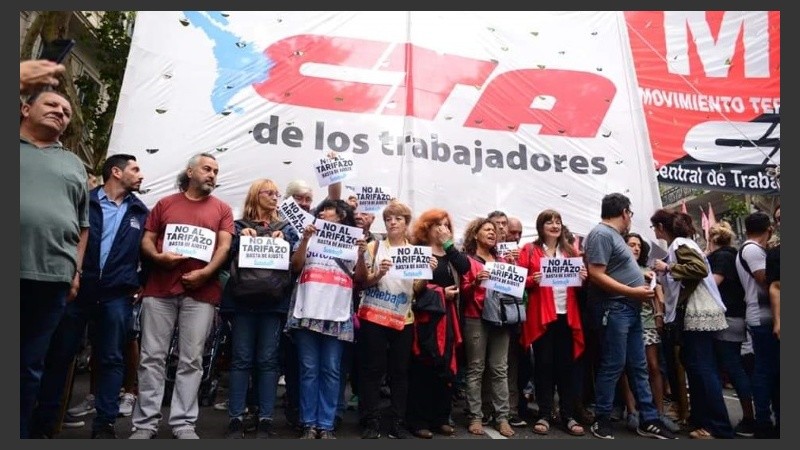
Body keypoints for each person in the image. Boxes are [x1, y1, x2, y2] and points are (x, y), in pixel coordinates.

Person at [29, 154, 148, 439]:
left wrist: (138, 282)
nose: (141, 174)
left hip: (117, 296)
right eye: (135, 169)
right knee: (60, 355)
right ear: (116, 172)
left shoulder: (140, 212)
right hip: (79, 290)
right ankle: (45, 422)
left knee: (110, 358)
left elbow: (148, 250)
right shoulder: (84, 200)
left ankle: (105, 424)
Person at [129, 153, 234, 439]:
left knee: (192, 360)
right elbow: (147, 241)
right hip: (160, 289)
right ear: (190, 171)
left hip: (201, 293)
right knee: (152, 357)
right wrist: (158, 258)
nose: (212, 174)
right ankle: (145, 423)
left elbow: (224, 247)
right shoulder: (165, 204)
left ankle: (183, 422)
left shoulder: (222, 209)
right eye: (207, 168)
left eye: (215, 170)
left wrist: (206, 273)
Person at [20, 89, 89, 439]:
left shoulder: (74, 163)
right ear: (25, 108)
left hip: (53, 278)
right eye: (52, 105)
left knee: (30, 366)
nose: (61, 113)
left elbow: (83, 226)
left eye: (66, 110)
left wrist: (75, 271)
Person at [583, 193, 676, 440]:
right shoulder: (601, 234)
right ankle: (602, 419)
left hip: (630, 309)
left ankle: (649, 419)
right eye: (630, 214)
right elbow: (596, 274)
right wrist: (631, 290)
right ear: (624, 212)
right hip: (615, 309)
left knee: (639, 366)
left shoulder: (615, 237)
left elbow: (615, 269)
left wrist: (638, 278)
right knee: (613, 365)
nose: (630, 219)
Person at [224, 179, 300, 439]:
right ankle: (236, 417)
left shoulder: (287, 229)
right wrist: (239, 239)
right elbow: (225, 257)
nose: (275, 197)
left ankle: (266, 418)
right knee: (241, 359)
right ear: (256, 195)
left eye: (277, 193)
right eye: (270, 193)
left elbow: (297, 262)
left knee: (268, 361)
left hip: (273, 303)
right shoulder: (237, 226)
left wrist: (285, 241)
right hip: (243, 302)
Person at [651, 209, 732, 439]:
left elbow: (698, 269)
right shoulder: (682, 243)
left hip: (697, 313)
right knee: (698, 367)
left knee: (703, 369)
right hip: (697, 312)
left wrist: (667, 268)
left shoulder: (678, 243)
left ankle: (717, 426)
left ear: (661, 227)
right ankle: (705, 420)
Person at [354, 201, 432, 439]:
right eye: (389, 219)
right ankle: (370, 419)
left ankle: (396, 419)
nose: (393, 222)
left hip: (402, 319)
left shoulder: (415, 252)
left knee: (400, 372)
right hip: (374, 317)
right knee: (372, 370)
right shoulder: (373, 247)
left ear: (406, 223)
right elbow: (361, 282)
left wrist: (426, 274)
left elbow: (417, 289)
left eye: (398, 218)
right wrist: (378, 273)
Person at [286, 199, 363, 439]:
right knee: (309, 369)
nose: (323, 213)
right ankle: (309, 423)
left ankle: (326, 425)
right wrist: (306, 240)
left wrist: (361, 254)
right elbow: (296, 266)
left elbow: (360, 277)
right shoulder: (307, 235)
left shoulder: (353, 240)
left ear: (341, 215)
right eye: (320, 211)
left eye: (328, 210)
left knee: (331, 370)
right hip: (308, 310)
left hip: (336, 313)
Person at [517, 209, 587, 437]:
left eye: (558, 222)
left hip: (567, 314)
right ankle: (545, 414)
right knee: (544, 365)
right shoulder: (529, 250)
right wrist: (531, 280)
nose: (555, 226)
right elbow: (518, 281)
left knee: (566, 367)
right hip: (542, 316)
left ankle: (568, 415)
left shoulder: (570, 251)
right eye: (550, 222)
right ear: (540, 227)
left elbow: (578, 285)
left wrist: (582, 276)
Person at [405, 208, 470, 438]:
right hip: (425, 318)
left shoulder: (451, 253)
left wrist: (449, 245)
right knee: (424, 366)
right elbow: (413, 287)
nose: (443, 228)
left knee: (445, 367)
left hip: (448, 318)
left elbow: (465, 268)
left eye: (446, 224)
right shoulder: (418, 251)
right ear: (427, 227)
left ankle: (440, 417)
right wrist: (442, 292)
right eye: (437, 224)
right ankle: (418, 419)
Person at [459, 218, 515, 437]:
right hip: (476, 317)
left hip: (500, 319)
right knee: (476, 368)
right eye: (487, 229)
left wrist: (512, 268)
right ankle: (475, 416)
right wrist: (475, 282)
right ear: (475, 234)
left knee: (500, 368)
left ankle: (502, 418)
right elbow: (463, 293)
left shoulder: (502, 260)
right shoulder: (468, 261)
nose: (493, 233)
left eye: (494, 230)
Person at [706, 221, 755, 437]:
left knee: (733, 367)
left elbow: (712, 285)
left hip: (728, 318)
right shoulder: (732, 254)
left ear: (714, 239)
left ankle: (749, 417)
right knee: (733, 367)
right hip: (736, 316)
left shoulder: (722, 257)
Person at [736, 211, 779, 439]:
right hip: (762, 317)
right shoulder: (752, 249)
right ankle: (763, 420)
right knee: (765, 371)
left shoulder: (753, 249)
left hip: (762, 315)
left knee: (769, 370)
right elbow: (766, 279)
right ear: (769, 228)